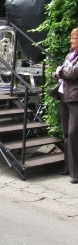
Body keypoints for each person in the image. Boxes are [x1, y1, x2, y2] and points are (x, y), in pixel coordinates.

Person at [53, 28, 78, 184]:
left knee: (74, 132)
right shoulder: (70, 55)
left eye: (74, 38)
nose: (71, 41)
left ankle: (75, 173)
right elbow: (62, 72)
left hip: (75, 98)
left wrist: (60, 71)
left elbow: (73, 73)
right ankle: (67, 167)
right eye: (71, 38)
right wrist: (59, 72)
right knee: (66, 134)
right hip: (64, 96)